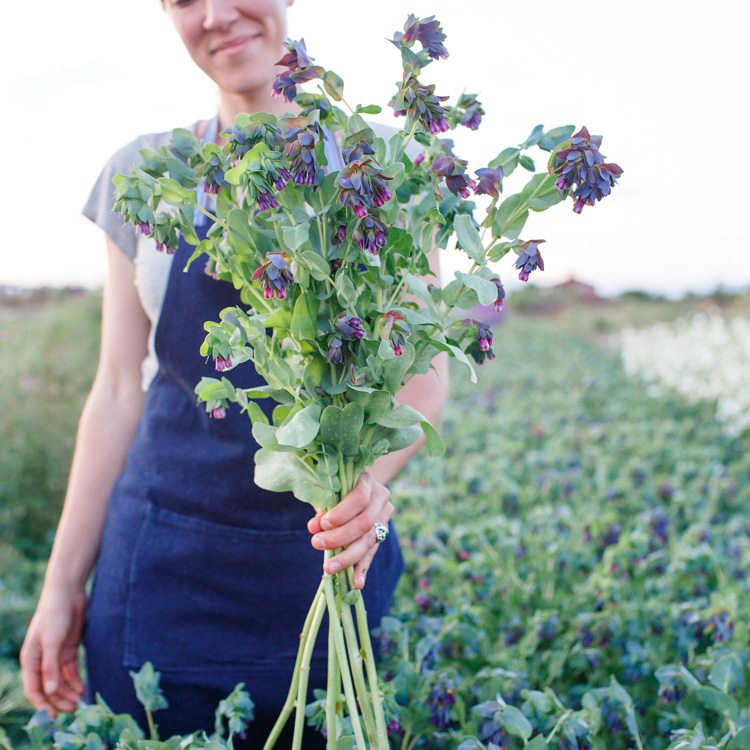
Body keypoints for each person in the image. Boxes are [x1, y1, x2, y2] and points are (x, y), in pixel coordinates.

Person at [19, 0, 448, 746]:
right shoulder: (147, 173)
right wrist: (59, 587)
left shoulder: (389, 165)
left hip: (321, 560)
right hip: (158, 563)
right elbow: (119, 386)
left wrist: (367, 488)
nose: (216, 14)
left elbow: (423, 368)